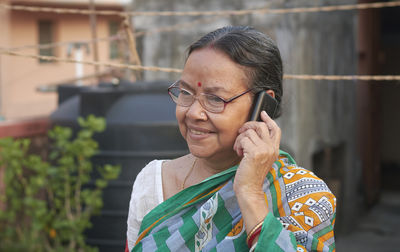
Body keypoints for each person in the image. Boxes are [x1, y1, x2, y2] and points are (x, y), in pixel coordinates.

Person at [126, 26, 336, 252]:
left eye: (216, 99)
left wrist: (250, 193)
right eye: (186, 92)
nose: (194, 113)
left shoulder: (302, 193)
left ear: (262, 104)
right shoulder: (152, 181)